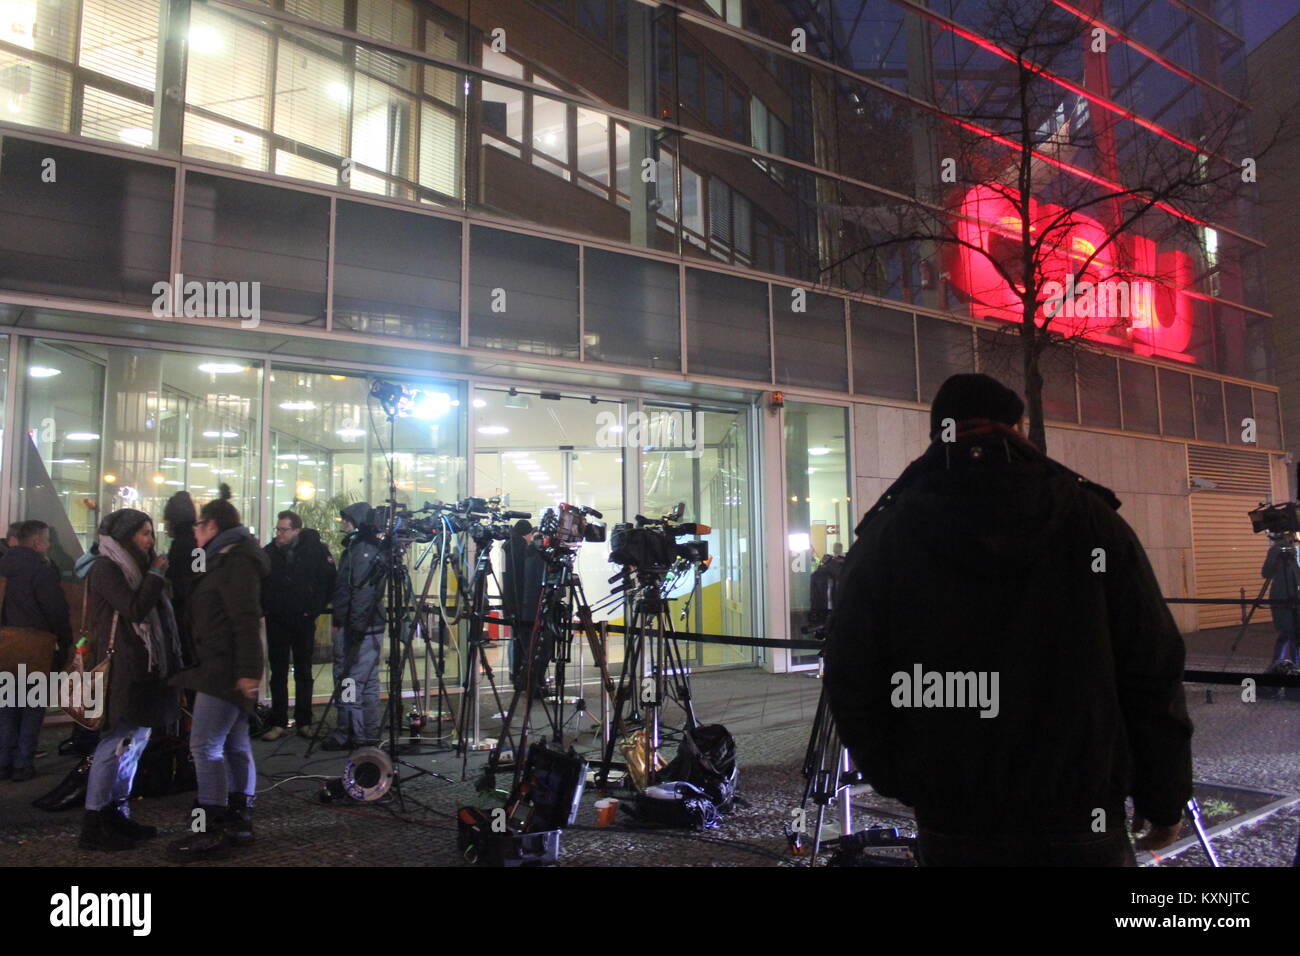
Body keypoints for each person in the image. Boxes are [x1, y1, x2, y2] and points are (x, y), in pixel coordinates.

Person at [824, 373, 1193, 867]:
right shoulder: (1088, 516)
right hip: (1078, 810)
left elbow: (851, 670)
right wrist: (1163, 792)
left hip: (954, 813)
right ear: (1018, 428)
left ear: (939, 433)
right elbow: (1151, 661)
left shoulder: (891, 528)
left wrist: (903, 777)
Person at [168, 485, 269, 862]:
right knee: (233, 742)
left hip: (223, 668)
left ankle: (211, 824)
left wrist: (247, 673)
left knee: (205, 745)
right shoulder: (228, 557)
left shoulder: (234, 562)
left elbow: (244, 620)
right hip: (224, 665)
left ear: (210, 525)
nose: (194, 532)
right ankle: (238, 817)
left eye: (197, 525)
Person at [79, 509, 183, 852]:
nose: (150, 540)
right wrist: (155, 574)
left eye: (152, 533)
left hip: (146, 669)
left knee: (135, 742)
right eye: (143, 534)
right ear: (125, 536)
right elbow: (134, 608)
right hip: (122, 669)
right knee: (113, 742)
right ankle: (94, 821)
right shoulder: (107, 568)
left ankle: (118, 811)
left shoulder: (139, 567)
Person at [0, 520, 73, 782]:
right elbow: (56, 611)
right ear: (36, 543)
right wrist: (65, 643)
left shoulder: (3, 567)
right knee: (32, 706)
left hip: (5, 646)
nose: (49, 544)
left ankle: (3, 760)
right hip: (36, 647)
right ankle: (22, 763)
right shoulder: (41, 571)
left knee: (7, 705)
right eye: (47, 540)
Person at [262, 511, 335, 740]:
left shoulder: (314, 551)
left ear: (296, 531)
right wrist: (266, 606)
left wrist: (313, 609)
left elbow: (328, 581)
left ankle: (304, 720)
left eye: (284, 530)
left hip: (303, 619)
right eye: (278, 529)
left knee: (304, 671)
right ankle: (279, 721)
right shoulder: (269, 552)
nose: (279, 534)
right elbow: (260, 582)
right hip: (277, 619)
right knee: (278, 672)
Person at [324, 502, 384, 751]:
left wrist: (351, 627)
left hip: (358, 627)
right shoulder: (368, 549)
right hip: (370, 626)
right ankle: (368, 732)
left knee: (349, 681)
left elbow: (360, 591)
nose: (343, 525)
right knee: (367, 682)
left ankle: (350, 733)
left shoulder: (361, 551)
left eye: (346, 520)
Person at [501, 519, 545, 692]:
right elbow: (527, 577)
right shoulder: (522, 549)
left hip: (511, 601)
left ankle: (515, 673)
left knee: (515, 638)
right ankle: (525, 676)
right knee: (524, 641)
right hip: (523, 602)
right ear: (527, 534)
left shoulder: (507, 546)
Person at [1261, 539, 1300, 674]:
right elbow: (1266, 573)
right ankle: (1291, 666)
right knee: (1290, 633)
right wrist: (1275, 556)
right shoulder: (1276, 550)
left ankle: (1278, 664)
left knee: (1288, 634)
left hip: (1294, 596)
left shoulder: (1295, 550)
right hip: (1282, 597)